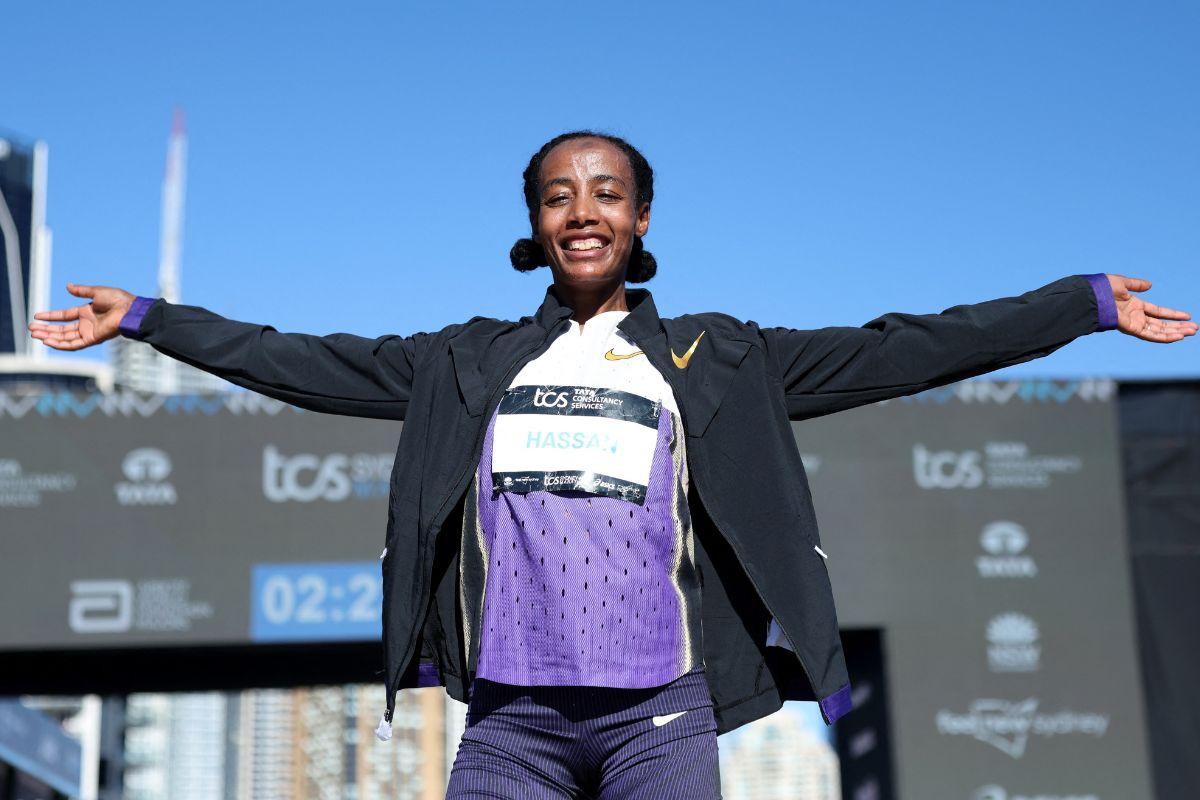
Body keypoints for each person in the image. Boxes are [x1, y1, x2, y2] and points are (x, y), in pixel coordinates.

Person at [29, 130, 1196, 799]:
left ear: (639, 219)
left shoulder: (722, 356)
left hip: (661, 718)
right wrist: (147, 317)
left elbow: (908, 345)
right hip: (510, 723)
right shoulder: (462, 360)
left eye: (606, 194)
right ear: (535, 224)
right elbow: (295, 358)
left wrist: (1078, 304)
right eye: (558, 195)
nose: (582, 211)